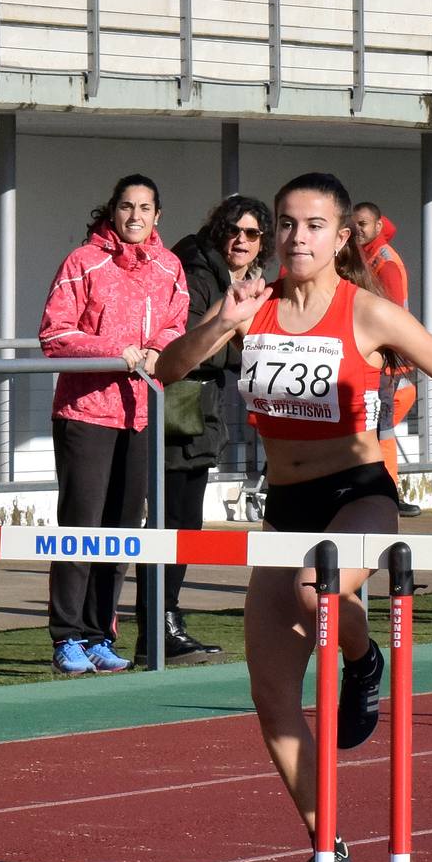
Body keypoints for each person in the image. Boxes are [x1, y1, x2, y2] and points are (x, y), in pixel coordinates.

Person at [153, 171, 432, 862]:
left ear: (341, 236)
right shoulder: (249, 308)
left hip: (359, 494)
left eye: (313, 225)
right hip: (285, 507)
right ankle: (328, 845)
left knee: (313, 582)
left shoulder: (369, 314)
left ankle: (361, 655)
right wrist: (221, 321)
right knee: (271, 696)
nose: (295, 238)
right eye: (284, 224)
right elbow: (168, 372)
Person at [39, 174, 189, 677]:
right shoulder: (83, 261)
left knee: (123, 530)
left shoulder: (169, 266)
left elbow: (177, 325)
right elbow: (55, 334)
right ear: (113, 210)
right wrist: (115, 352)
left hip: (141, 412)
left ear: (157, 215)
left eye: (145, 208)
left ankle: (101, 633)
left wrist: (156, 350)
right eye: (126, 206)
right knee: (81, 525)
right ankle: (67, 637)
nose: (135, 216)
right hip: (85, 412)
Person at [158, 193, 270, 664]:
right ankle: (158, 626)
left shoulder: (249, 279)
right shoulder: (196, 272)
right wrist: (235, 329)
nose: (240, 241)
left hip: (203, 412)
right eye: (233, 230)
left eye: (251, 234)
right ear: (217, 229)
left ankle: (165, 621)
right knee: (168, 524)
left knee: (186, 524)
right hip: (175, 409)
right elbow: (185, 345)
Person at [352, 200, 422, 518]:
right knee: (378, 427)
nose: (357, 231)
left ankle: (387, 491)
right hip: (382, 358)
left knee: (380, 428)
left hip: (385, 360)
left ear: (378, 226)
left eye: (363, 225)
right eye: (354, 225)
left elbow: (391, 313)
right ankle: (381, 488)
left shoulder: (383, 262)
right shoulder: (371, 255)